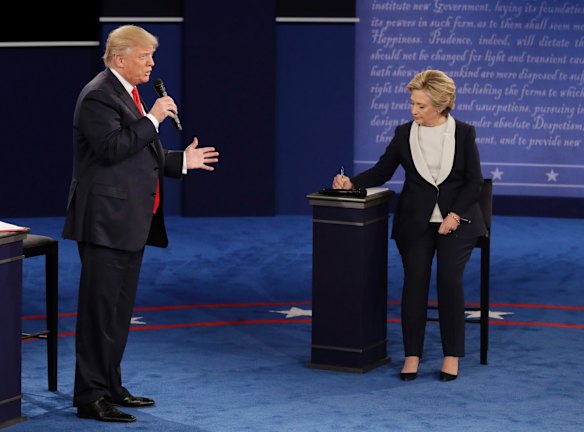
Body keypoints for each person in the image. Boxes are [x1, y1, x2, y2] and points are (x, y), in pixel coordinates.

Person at [62, 24, 219, 422]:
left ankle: (111, 385)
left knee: (117, 311)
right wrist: (153, 116)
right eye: (144, 56)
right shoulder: (99, 95)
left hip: (128, 221)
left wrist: (181, 161)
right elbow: (112, 148)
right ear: (120, 60)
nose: (151, 63)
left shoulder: (127, 93)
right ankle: (90, 396)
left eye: (152, 56)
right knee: (99, 312)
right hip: (104, 222)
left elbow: (138, 152)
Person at [333, 70, 486, 382]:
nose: (414, 111)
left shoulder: (464, 133)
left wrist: (453, 216)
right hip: (415, 223)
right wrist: (351, 183)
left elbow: (474, 183)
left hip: (457, 221)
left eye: (421, 106)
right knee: (415, 282)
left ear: (441, 105)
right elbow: (382, 170)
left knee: (448, 279)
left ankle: (451, 354)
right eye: (413, 104)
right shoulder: (404, 133)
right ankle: (412, 354)